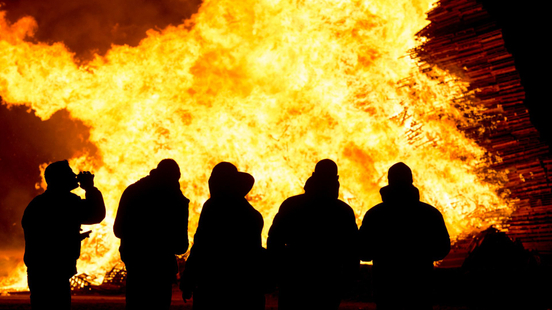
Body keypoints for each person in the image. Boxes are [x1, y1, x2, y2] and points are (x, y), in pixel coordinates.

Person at [267, 159, 359, 310]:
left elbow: (274, 241)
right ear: (336, 181)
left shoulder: (291, 204)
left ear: (313, 177)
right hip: (328, 277)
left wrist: (277, 270)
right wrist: (350, 276)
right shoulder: (342, 211)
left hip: (295, 277)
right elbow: (352, 249)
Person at [358, 162, 450, 310]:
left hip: (386, 289)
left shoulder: (375, 214)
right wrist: (421, 255)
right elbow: (442, 249)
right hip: (420, 288)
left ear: (389, 181)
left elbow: (364, 252)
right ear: (411, 181)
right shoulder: (429, 213)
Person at [180, 162, 266, 310]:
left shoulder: (213, 207)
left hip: (215, 286)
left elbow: (201, 246)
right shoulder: (251, 214)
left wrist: (188, 279)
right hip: (247, 287)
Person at [22, 160, 106, 310]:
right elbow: (96, 214)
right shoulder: (67, 202)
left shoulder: (38, 203)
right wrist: (90, 188)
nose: (74, 176)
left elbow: (47, 235)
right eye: (70, 174)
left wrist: (71, 237)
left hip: (39, 269)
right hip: (56, 270)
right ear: (60, 179)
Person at [114, 159, 189, 310]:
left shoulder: (132, 191)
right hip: (161, 269)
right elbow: (181, 246)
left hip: (136, 265)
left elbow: (118, 230)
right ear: (176, 177)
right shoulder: (176, 199)